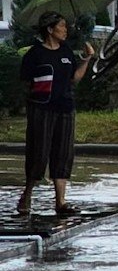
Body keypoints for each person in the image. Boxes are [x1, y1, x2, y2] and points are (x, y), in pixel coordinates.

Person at [15, 13, 93, 219]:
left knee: (63, 153)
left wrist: (86, 59)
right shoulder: (34, 54)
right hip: (41, 109)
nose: (65, 30)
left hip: (65, 108)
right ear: (50, 30)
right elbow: (25, 83)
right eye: (62, 26)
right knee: (38, 153)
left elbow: (74, 79)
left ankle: (61, 201)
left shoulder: (67, 52)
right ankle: (27, 194)